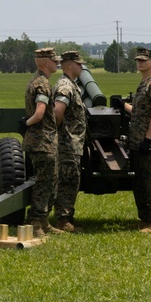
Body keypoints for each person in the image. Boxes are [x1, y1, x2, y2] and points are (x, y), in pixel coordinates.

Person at [20, 47, 63, 238]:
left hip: (41, 141)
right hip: (42, 142)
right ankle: (36, 223)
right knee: (44, 183)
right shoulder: (43, 85)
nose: (57, 64)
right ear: (45, 62)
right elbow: (39, 113)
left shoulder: (36, 81)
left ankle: (44, 222)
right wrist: (26, 124)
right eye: (54, 61)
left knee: (50, 182)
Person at [124, 47, 151, 232]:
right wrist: (123, 105)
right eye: (138, 60)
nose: (140, 63)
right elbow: (139, 112)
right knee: (140, 182)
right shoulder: (143, 84)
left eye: (144, 60)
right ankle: (146, 219)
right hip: (137, 141)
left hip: (149, 142)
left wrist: (148, 140)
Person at [52, 51, 88, 232]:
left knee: (71, 180)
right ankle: (63, 220)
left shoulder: (71, 85)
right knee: (67, 181)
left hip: (72, 143)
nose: (81, 67)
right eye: (78, 64)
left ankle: (66, 218)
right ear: (68, 66)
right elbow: (58, 112)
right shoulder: (65, 86)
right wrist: (58, 136)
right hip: (67, 144)